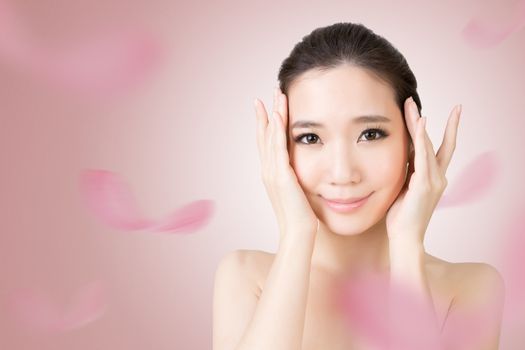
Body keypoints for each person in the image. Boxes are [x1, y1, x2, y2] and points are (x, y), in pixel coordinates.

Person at [213, 22, 505, 350]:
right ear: (279, 150)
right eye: (310, 138)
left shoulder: (471, 288)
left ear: (412, 143)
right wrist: (296, 234)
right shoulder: (245, 277)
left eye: (370, 134)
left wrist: (407, 245)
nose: (342, 173)